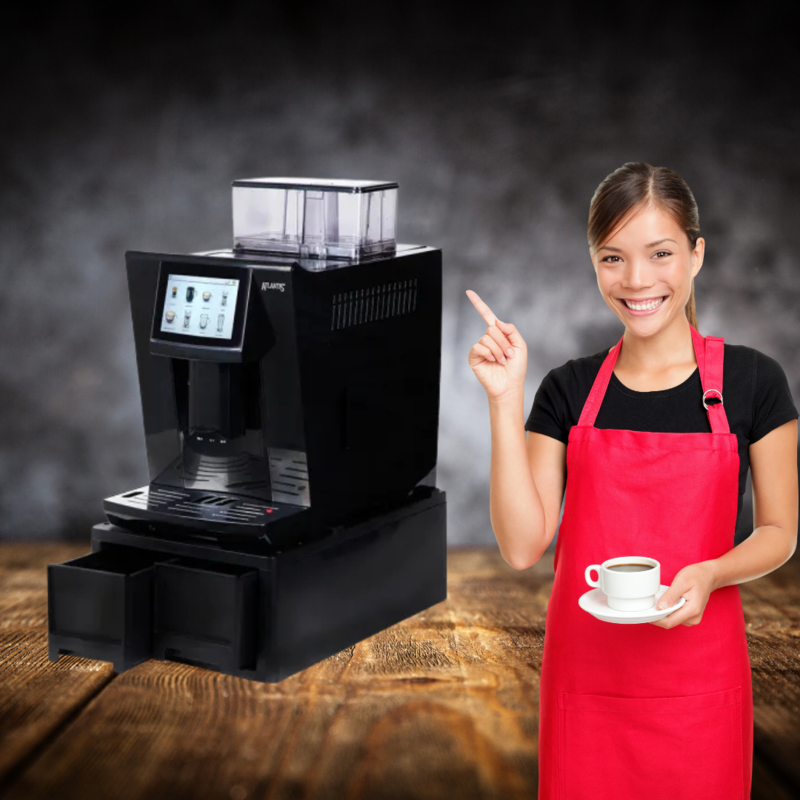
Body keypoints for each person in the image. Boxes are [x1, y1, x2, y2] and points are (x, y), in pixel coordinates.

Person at [466, 162, 798, 800]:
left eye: (661, 253)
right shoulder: (568, 390)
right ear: (594, 264)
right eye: (613, 258)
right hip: (587, 690)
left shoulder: (754, 382)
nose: (637, 279)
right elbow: (521, 545)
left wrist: (711, 573)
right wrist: (505, 402)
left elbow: (780, 532)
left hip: (701, 691)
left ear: (696, 256)